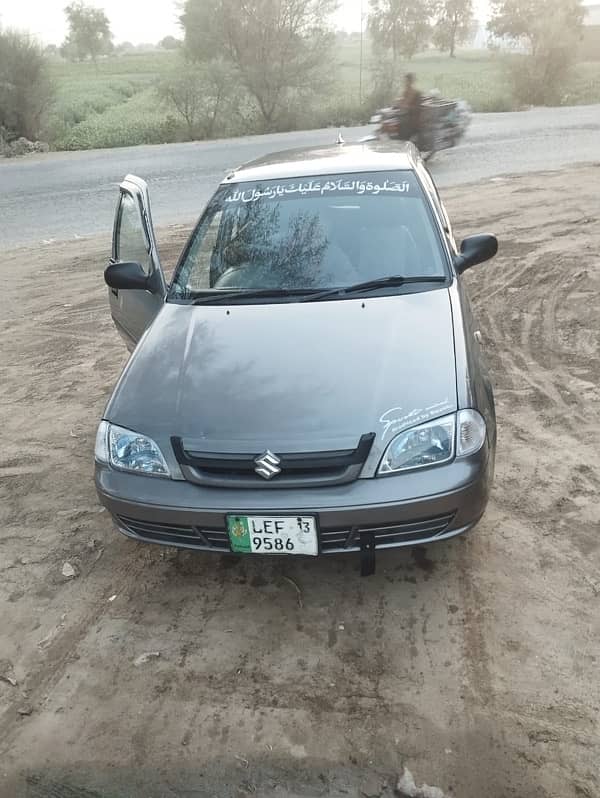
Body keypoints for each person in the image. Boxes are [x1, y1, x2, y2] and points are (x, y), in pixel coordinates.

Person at [393, 73, 422, 143]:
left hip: (411, 121)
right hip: (403, 118)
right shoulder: (405, 92)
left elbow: (417, 108)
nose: (405, 83)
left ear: (411, 82)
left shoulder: (416, 93)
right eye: (405, 81)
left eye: (407, 81)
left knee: (402, 131)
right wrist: (397, 104)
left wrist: (406, 107)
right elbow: (402, 103)